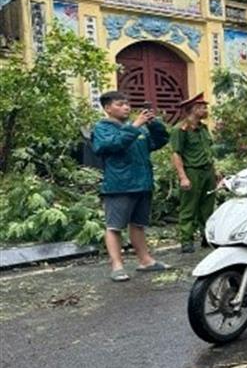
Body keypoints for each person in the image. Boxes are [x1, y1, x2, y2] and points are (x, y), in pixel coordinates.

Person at [92, 91, 171, 282]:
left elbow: (160, 141)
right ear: (108, 108)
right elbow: (111, 145)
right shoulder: (103, 128)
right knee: (114, 226)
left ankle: (146, 261)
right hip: (120, 184)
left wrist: (154, 124)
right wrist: (135, 126)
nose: (126, 107)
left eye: (127, 104)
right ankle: (117, 266)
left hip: (142, 182)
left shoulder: (138, 129)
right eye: (120, 104)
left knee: (138, 225)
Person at [169, 92, 216, 253]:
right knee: (188, 208)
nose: (205, 110)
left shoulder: (203, 128)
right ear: (193, 109)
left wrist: (215, 171)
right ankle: (186, 240)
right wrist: (183, 177)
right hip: (191, 171)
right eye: (202, 108)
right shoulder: (180, 130)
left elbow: (208, 150)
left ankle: (207, 236)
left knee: (208, 207)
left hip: (207, 171)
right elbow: (176, 154)